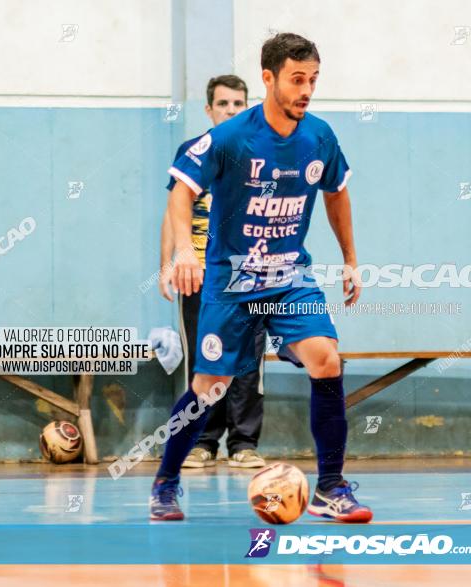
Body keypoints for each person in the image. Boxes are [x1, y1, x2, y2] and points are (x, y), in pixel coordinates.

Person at [150, 32, 372, 524]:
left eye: (313, 79)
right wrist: (184, 250)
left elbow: (336, 194)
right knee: (210, 386)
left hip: (290, 276)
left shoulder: (320, 137)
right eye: (297, 79)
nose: (306, 89)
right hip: (231, 281)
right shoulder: (231, 138)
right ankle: (166, 482)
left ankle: (331, 488)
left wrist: (351, 259)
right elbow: (181, 191)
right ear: (268, 78)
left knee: (327, 360)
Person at [160, 75, 268, 470]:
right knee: (204, 361)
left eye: (238, 104)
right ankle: (203, 441)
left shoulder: (261, 152)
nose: (231, 111)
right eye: (223, 104)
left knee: (248, 360)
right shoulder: (193, 152)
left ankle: (243, 443)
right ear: (209, 109)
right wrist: (168, 264)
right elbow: (174, 212)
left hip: (249, 275)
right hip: (199, 275)